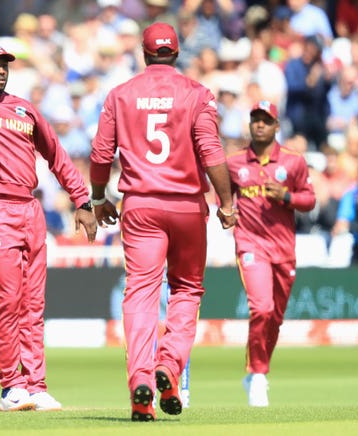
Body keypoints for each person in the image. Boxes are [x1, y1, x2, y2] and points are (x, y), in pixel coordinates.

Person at [0, 42, 98, 412]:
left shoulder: (24, 108)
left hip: (30, 207)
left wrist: (83, 201)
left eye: (4, 65)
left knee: (33, 303)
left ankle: (36, 384)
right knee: (9, 300)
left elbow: (57, 156)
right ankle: (12, 385)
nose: (0, 70)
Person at [89, 22, 237, 421]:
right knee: (186, 289)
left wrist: (99, 197)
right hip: (187, 206)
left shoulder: (120, 95)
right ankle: (168, 367)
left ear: (144, 52)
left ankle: (141, 382)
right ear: (177, 52)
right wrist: (227, 203)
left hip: (140, 205)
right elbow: (211, 152)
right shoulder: (197, 94)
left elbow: (101, 154)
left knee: (139, 293)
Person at [226, 101, 316, 407]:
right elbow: (223, 197)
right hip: (250, 245)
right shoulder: (234, 162)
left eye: (266, 120)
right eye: (255, 120)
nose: (260, 125)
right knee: (261, 308)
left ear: (277, 126)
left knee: (275, 318)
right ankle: (258, 375)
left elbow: (309, 199)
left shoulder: (293, 162)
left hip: (283, 249)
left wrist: (287, 196)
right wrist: (226, 213)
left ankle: (257, 371)